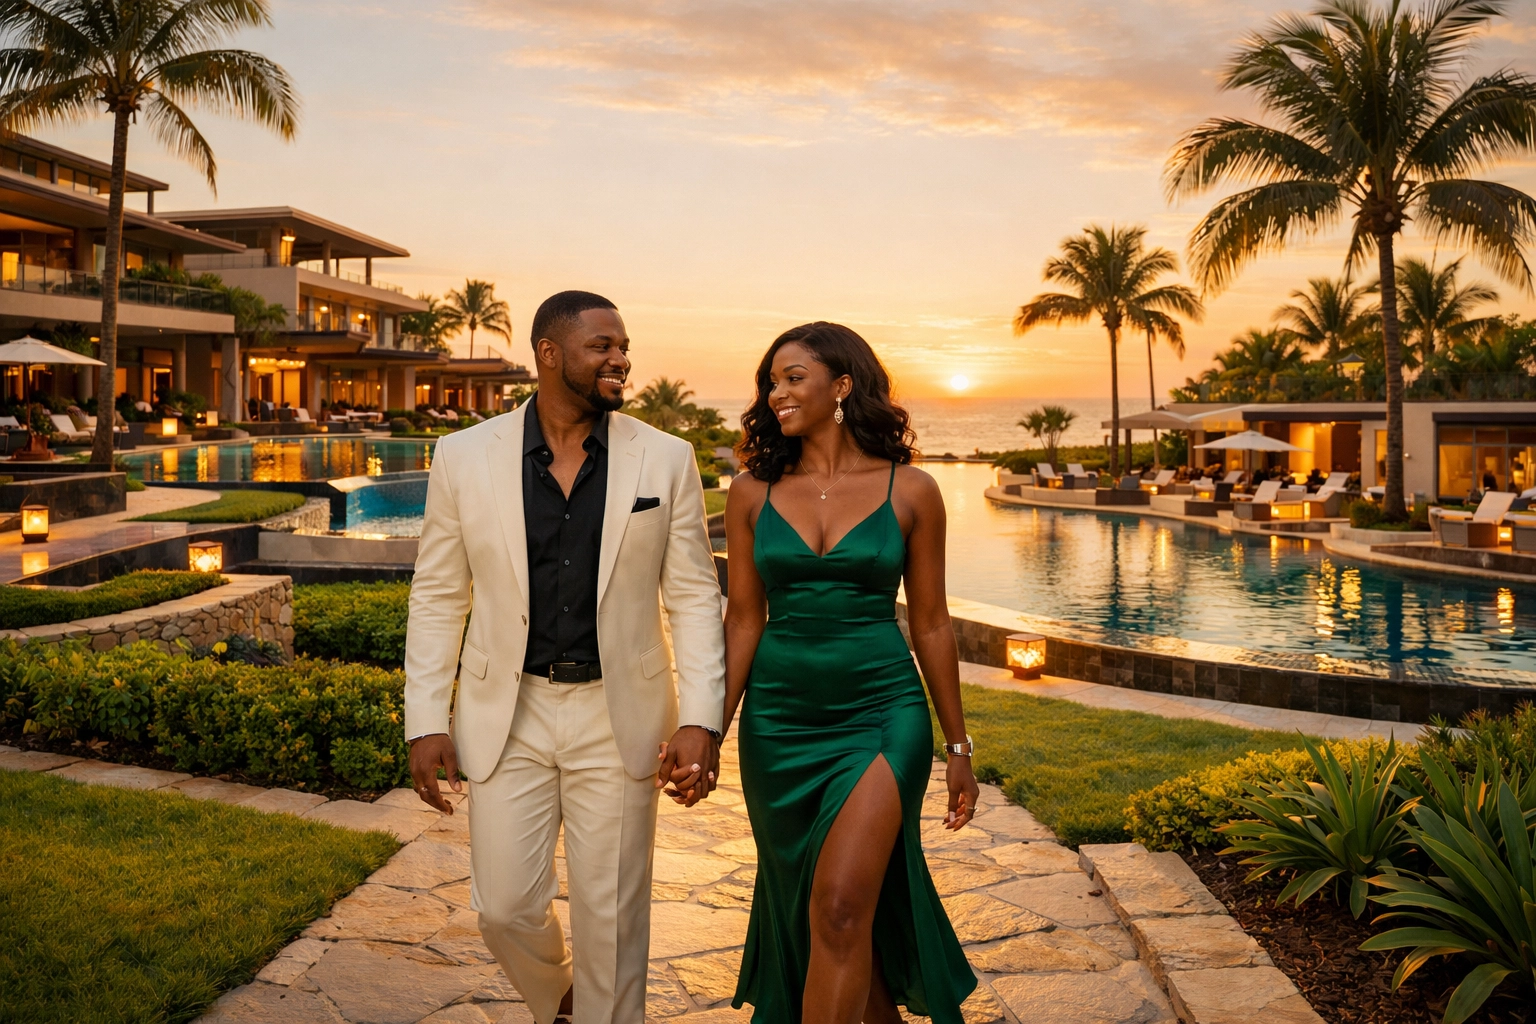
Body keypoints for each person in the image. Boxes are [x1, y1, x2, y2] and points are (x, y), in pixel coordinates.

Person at [404, 291, 726, 1024]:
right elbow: (437, 597)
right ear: (548, 354)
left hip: (621, 717)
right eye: (602, 346)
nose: (621, 359)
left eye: (624, 346)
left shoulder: (665, 460)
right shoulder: (462, 457)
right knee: (504, 908)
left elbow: (694, 600)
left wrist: (702, 720)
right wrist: (424, 718)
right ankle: (564, 998)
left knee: (612, 921)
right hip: (506, 709)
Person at [721, 322, 979, 1024]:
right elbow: (744, 619)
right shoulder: (751, 492)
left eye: (793, 376)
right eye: (770, 381)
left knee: (838, 905)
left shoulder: (913, 490)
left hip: (879, 714)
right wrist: (707, 730)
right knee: (824, 917)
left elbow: (930, 622)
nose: (776, 393)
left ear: (842, 386)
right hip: (778, 723)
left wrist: (958, 748)